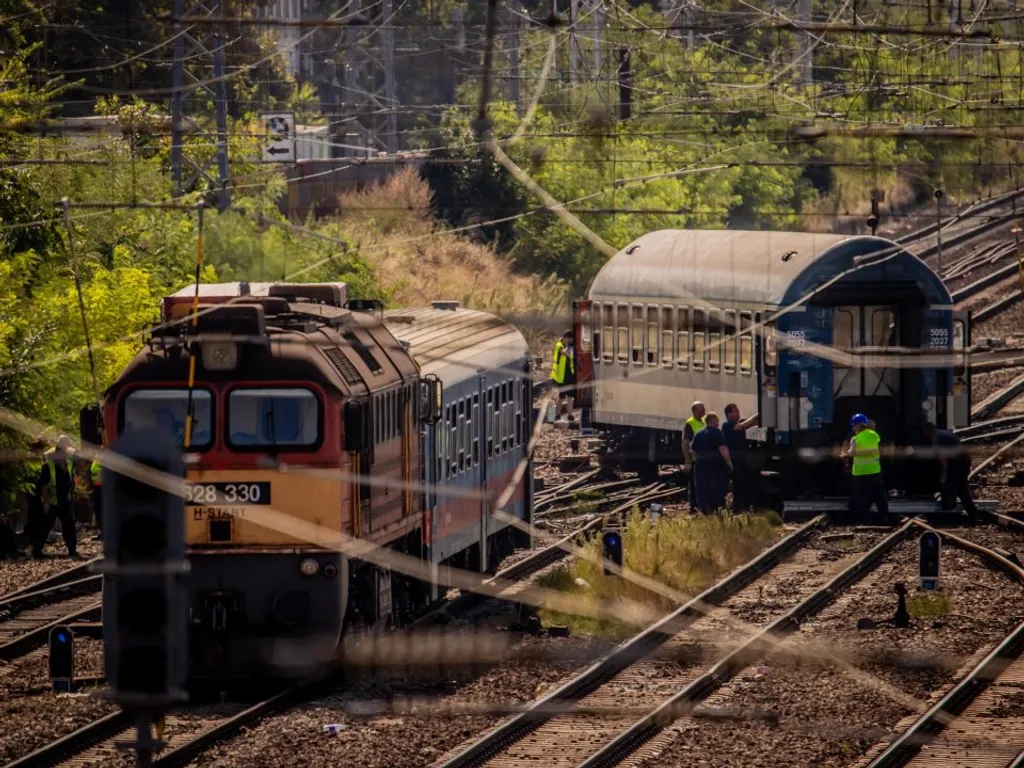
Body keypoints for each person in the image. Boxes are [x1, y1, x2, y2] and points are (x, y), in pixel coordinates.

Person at [923, 421, 979, 521]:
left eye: (925, 432)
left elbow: (943, 459)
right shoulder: (947, 433)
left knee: (948, 486)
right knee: (963, 490)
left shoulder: (937, 438)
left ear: (928, 431)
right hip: (964, 462)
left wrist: (943, 475)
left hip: (955, 465)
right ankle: (973, 515)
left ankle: (948, 509)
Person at [35, 435, 80, 559]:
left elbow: (70, 478)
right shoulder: (49, 464)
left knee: (69, 525)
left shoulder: (68, 461)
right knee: (45, 526)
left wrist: (71, 492)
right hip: (52, 501)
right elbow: (44, 485)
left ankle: (72, 549)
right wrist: (45, 502)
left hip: (65, 500)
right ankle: (37, 550)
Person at [842, 413, 889, 521]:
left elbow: (852, 453)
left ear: (858, 425)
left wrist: (846, 454)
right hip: (874, 471)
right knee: (880, 497)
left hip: (860, 473)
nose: (852, 427)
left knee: (862, 497)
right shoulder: (874, 435)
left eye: (853, 425)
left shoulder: (855, 439)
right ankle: (884, 516)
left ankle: (864, 518)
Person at [691, 412, 733, 514]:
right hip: (714, 463)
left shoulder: (698, 433)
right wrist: (729, 463)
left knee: (701, 487)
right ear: (713, 420)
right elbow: (723, 449)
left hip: (700, 464)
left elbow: (693, 450)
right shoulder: (717, 433)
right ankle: (716, 510)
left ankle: (704, 509)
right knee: (716, 487)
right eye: (717, 421)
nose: (718, 423)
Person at [722, 404, 759, 512]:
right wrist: (758, 414)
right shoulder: (727, 425)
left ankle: (745, 504)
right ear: (729, 414)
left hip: (741, 458)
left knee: (744, 481)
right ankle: (737, 506)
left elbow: (749, 424)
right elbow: (743, 425)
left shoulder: (737, 424)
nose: (738, 412)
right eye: (735, 411)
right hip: (734, 459)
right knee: (738, 482)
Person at [682, 401, 707, 510]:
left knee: (701, 482)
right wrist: (687, 461)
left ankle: (700, 504)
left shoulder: (703, 422)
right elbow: (685, 444)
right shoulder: (690, 424)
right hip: (694, 458)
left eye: (704, 408)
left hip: (702, 458)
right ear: (695, 410)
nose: (704, 410)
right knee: (694, 483)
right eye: (701, 409)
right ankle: (693, 506)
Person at [550, 331, 576, 418]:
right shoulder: (559, 345)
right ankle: (557, 414)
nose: (571, 341)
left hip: (569, 375)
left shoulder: (570, 347)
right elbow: (564, 353)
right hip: (561, 377)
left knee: (570, 396)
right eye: (570, 339)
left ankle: (570, 414)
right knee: (562, 396)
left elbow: (570, 357)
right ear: (566, 338)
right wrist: (569, 347)